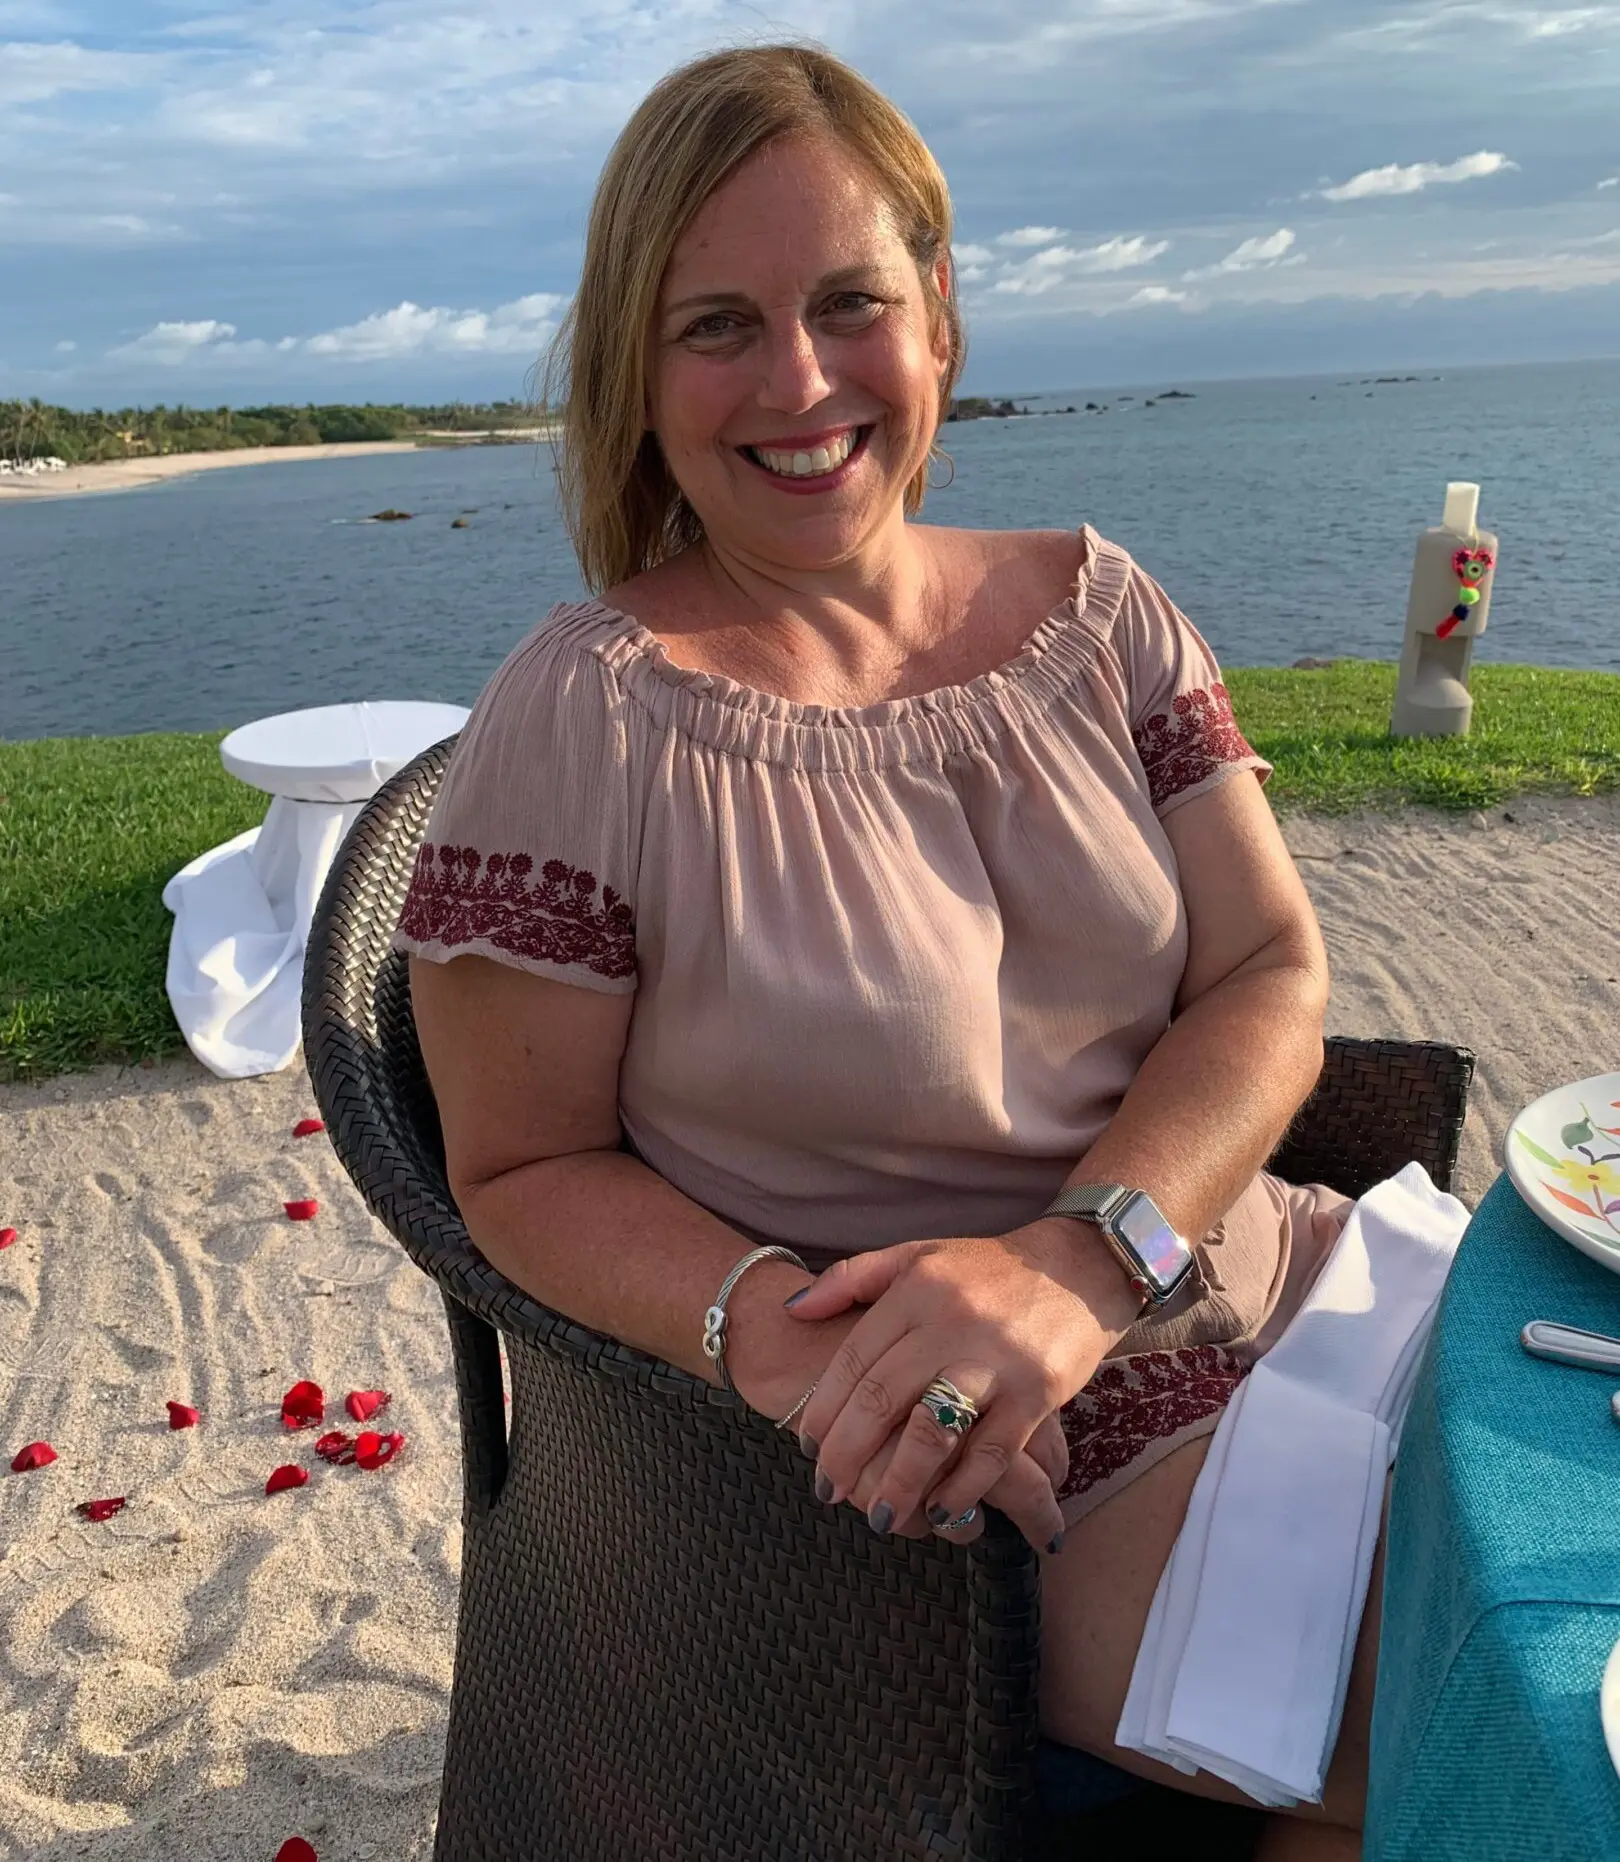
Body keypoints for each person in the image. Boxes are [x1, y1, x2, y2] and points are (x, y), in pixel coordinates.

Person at [396, 42, 1370, 1860]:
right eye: (717, 325)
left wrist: (1088, 1262)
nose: (799, 380)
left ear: (940, 315)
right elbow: (519, 1162)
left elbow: (1268, 975)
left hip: (1300, 1289)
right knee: (1477, 1735)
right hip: (1010, 1471)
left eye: (851, 301)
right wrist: (781, 1339)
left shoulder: (1100, 606)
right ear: (638, 371)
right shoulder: (590, 717)